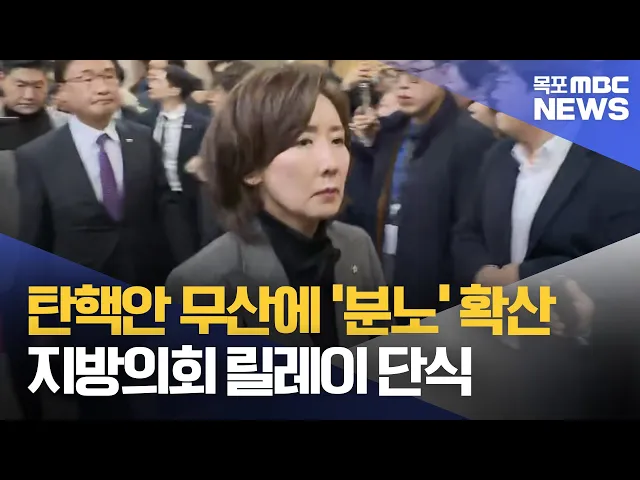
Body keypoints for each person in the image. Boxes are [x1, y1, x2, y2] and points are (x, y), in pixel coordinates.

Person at [166, 64, 386, 350]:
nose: (330, 163)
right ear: (251, 167)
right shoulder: (203, 282)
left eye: (337, 140)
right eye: (303, 142)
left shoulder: (358, 247)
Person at [140, 65, 210, 255]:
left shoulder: (201, 124)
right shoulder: (144, 120)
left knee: (184, 249)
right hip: (152, 197)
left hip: (185, 196)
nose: (150, 84)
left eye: (157, 81)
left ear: (174, 89)